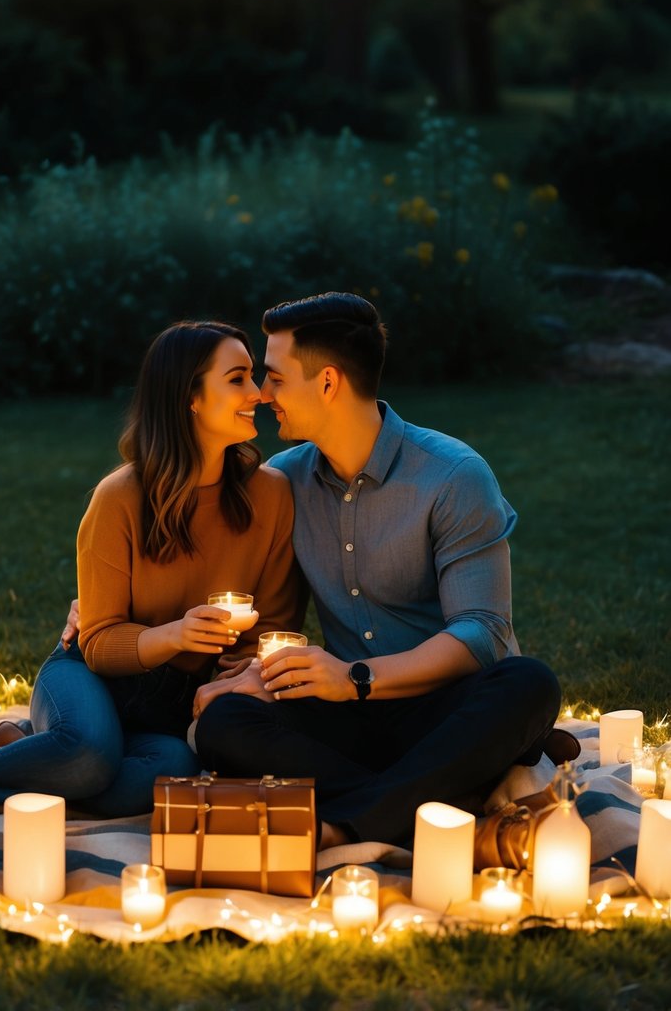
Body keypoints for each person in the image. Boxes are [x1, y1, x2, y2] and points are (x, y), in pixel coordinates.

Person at [0, 321, 305, 814]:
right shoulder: (119, 498)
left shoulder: (270, 495)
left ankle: (12, 750)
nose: (256, 393)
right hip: (88, 675)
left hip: (169, 707)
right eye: (237, 378)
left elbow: (273, 631)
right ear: (188, 397)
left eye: (253, 376)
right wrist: (175, 635)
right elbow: (99, 642)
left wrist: (234, 678)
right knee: (87, 757)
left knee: (166, 775)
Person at [194, 292, 569, 851]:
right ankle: (441, 799)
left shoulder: (453, 475)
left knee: (529, 683)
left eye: (274, 378)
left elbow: (482, 633)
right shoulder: (284, 480)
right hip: (353, 722)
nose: (262, 395)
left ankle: (345, 823)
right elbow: (228, 572)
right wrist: (114, 607)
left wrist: (354, 679)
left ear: (326, 383)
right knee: (226, 724)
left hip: (446, 708)